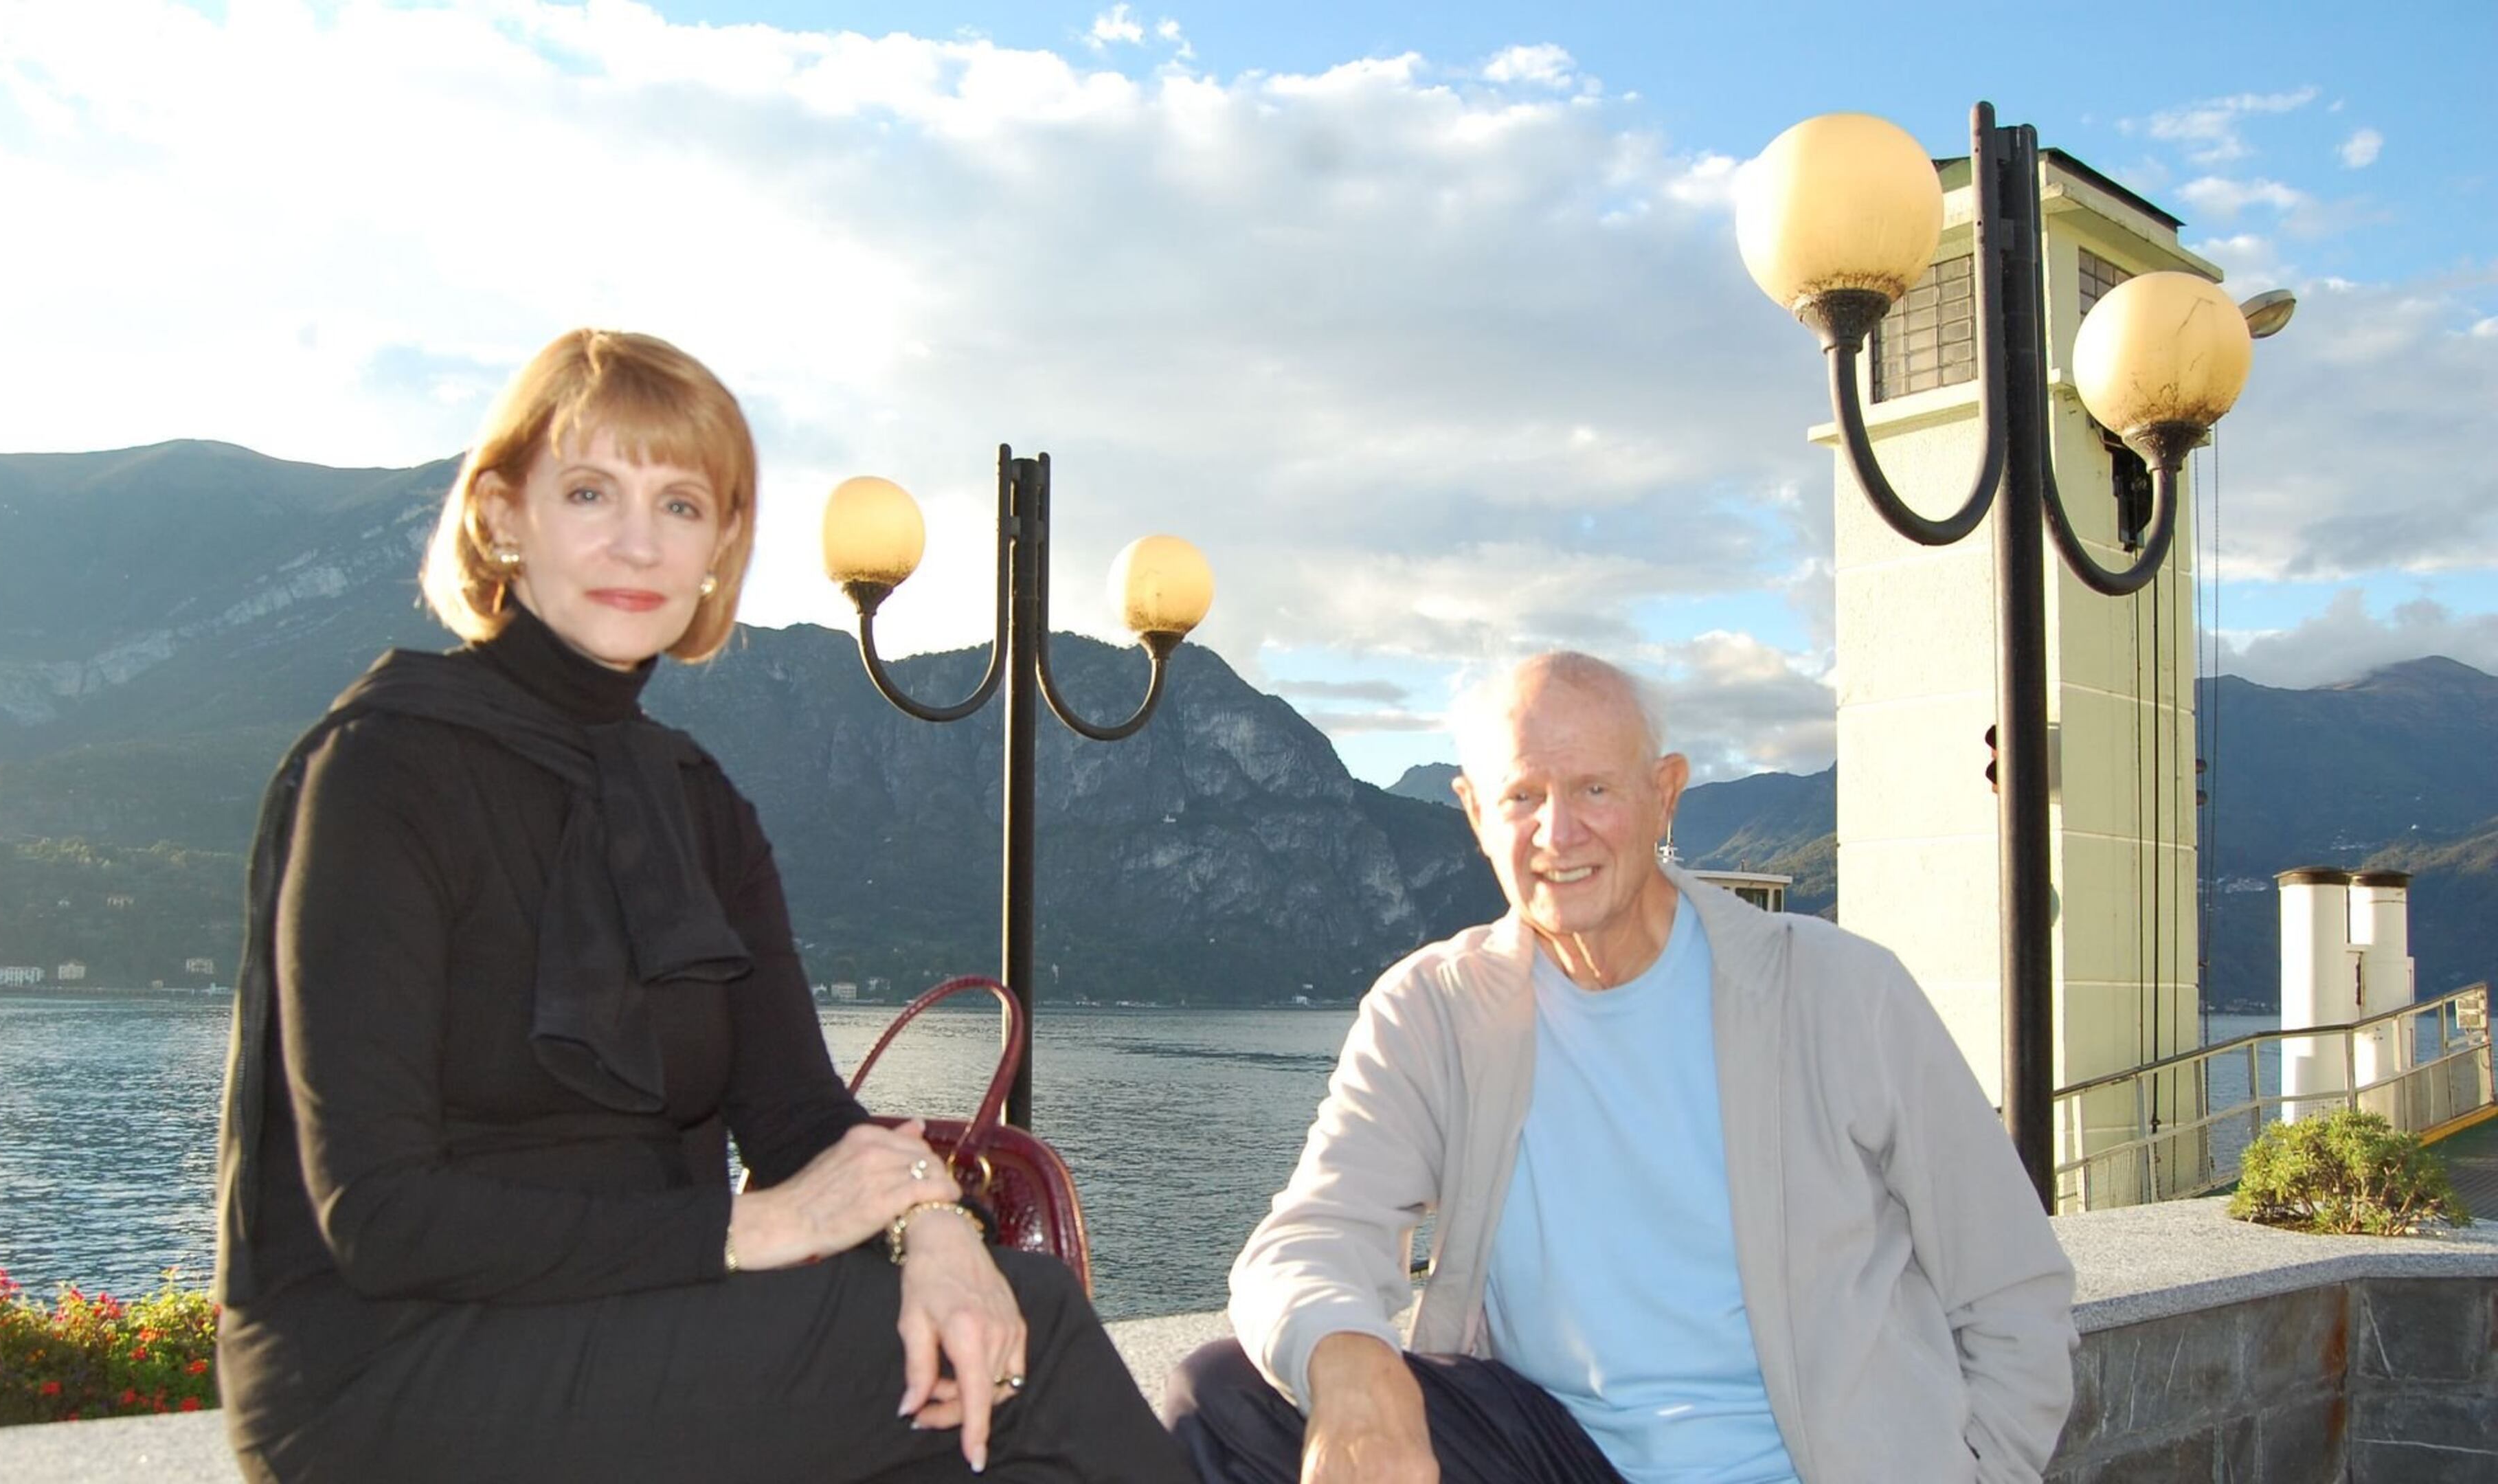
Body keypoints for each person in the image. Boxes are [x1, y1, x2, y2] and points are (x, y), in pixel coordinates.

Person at [213, 328, 1193, 1483]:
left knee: (987, 1390)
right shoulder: (382, 769)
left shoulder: (697, 803)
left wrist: (934, 1229)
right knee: (1049, 1343)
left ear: (721, 546)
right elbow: (377, 1215)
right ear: (500, 516)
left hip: (646, 1315)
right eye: (590, 491)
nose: (638, 541)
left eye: (682, 505)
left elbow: (793, 1114)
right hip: (388, 1361)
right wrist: (746, 1230)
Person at [1167, 652, 2076, 1484]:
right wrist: (1355, 1368)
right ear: (1477, 814)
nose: (1558, 834)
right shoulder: (1433, 1012)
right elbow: (1307, 1237)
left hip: (1814, 1467)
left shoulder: (1838, 993)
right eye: (1522, 796)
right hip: (1560, 1458)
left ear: (1664, 794)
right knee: (1222, 1394)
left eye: (1595, 788)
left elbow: (2011, 1290)